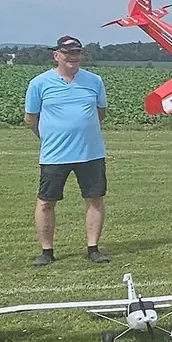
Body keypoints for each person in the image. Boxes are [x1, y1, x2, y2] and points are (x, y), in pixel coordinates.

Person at [24, 35, 110, 267]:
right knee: (46, 202)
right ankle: (46, 251)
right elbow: (31, 119)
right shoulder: (39, 84)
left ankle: (93, 249)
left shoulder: (94, 81)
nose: (73, 57)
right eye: (68, 53)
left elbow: (100, 113)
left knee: (94, 199)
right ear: (57, 56)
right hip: (54, 154)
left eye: (77, 53)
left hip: (91, 153)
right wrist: (49, 137)